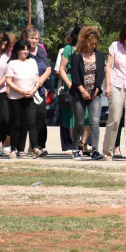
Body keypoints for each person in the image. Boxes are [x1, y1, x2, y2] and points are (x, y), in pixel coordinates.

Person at [100, 24, 126, 161]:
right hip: (116, 83)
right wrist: (107, 86)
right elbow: (108, 66)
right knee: (115, 118)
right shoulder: (115, 46)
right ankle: (108, 150)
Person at [68, 27, 105, 160]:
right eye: (90, 43)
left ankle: (95, 149)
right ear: (84, 42)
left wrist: (96, 90)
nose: (93, 46)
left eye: (95, 43)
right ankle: (75, 148)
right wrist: (83, 91)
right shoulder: (76, 56)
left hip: (94, 94)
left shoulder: (100, 56)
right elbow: (75, 76)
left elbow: (100, 75)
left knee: (94, 122)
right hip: (79, 94)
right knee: (79, 122)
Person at [5, 39, 41, 159]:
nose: (26, 51)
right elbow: (9, 81)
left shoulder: (32, 62)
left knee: (31, 122)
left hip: (30, 96)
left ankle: (35, 147)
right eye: (23, 49)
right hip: (16, 98)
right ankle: (13, 149)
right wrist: (21, 91)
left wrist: (33, 90)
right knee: (16, 124)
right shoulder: (12, 63)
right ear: (17, 50)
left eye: (27, 49)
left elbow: (37, 79)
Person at [20, 25, 51, 156]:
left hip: (40, 89)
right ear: (26, 38)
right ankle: (23, 147)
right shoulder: (23, 51)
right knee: (28, 119)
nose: (34, 41)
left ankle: (39, 146)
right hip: (26, 90)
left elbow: (48, 68)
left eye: (36, 38)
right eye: (32, 38)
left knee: (41, 117)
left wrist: (40, 82)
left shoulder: (41, 50)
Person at [55, 25, 83, 155]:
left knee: (86, 115)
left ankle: (83, 143)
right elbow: (61, 69)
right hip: (71, 79)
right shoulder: (67, 48)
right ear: (76, 35)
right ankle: (74, 144)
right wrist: (70, 85)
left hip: (85, 81)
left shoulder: (88, 48)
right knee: (72, 115)